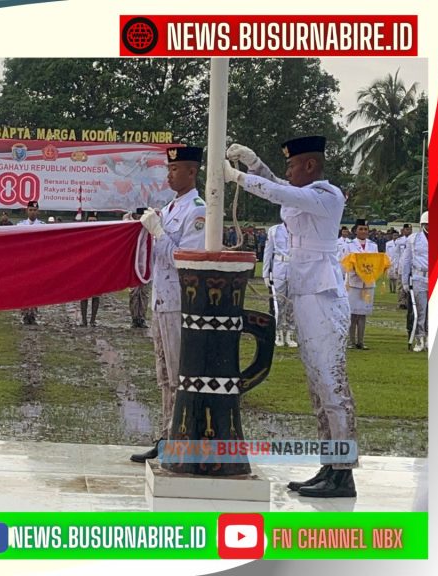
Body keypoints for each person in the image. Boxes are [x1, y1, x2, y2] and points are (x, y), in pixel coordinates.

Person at [225, 136, 357, 497]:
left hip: (323, 296)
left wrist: (238, 179)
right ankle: (330, 465)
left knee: (333, 386)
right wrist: (253, 164)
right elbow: (279, 186)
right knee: (317, 390)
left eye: (292, 165)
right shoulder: (304, 194)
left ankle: (343, 474)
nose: (287, 171)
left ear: (310, 166)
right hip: (305, 293)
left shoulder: (326, 196)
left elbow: (280, 194)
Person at [130, 146, 207, 464]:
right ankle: (167, 437)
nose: (169, 174)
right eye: (168, 168)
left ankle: (182, 440)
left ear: (192, 172)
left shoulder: (197, 211)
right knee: (163, 375)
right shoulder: (172, 207)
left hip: (180, 302)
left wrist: (158, 232)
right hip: (162, 300)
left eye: (175, 169)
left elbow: (184, 260)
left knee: (178, 375)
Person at [343, 219, 380, 350]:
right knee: (353, 312)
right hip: (354, 282)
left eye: (365, 229)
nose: (363, 231)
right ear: (355, 230)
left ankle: (361, 341)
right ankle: (351, 341)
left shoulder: (373, 245)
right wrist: (356, 269)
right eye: (361, 229)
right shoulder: (349, 245)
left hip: (368, 282)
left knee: (363, 312)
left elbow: (376, 262)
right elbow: (345, 262)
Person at [263, 222, 297, 347]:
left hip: (295, 268)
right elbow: (268, 251)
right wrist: (266, 273)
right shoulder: (274, 230)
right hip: (279, 267)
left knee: (292, 303)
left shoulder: (300, 228)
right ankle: (278, 332)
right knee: (278, 302)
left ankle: (290, 332)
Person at [401, 212, 429, 352]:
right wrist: (405, 281)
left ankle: (430, 338)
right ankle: (419, 339)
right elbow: (406, 261)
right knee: (420, 310)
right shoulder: (414, 239)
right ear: (423, 224)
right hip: (419, 277)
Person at [16, 201, 45, 325]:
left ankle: (32, 313)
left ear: (38, 211)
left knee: (35, 288)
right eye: (30, 210)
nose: (32, 212)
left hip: (37, 263)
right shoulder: (20, 225)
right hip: (24, 262)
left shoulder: (43, 226)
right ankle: (24, 312)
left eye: (34, 210)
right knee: (23, 288)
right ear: (27, 211)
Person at [385, 229, 400, 293]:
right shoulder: (388, 243)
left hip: (397, 261)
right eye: (394, 235)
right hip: (390, 261)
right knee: (390, 277)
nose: (395, 236)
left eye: (396, 235)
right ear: (392, 236)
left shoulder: (400, 243)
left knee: (396, 278)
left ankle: (395, 289)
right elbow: (387, 253)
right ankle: (391, 290)